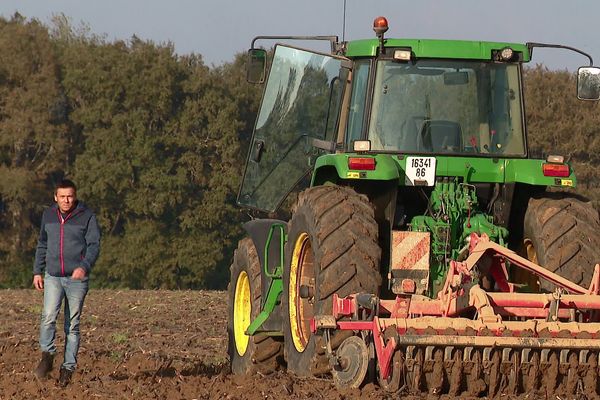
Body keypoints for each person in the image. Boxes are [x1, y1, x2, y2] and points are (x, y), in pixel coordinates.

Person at [32, 179, 101, 387]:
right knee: (48, 317)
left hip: (76, 279)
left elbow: (94, 245)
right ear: (55, 197)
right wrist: (37, 271)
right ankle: (48, 355)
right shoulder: (49, 216)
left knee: (72, 325)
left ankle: (68, 368)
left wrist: (84, 266)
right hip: (53, 275)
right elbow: (42, 243)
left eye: (70, 196)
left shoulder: (87, 216)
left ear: (75, 196)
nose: (66, 200)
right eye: (62, 196)